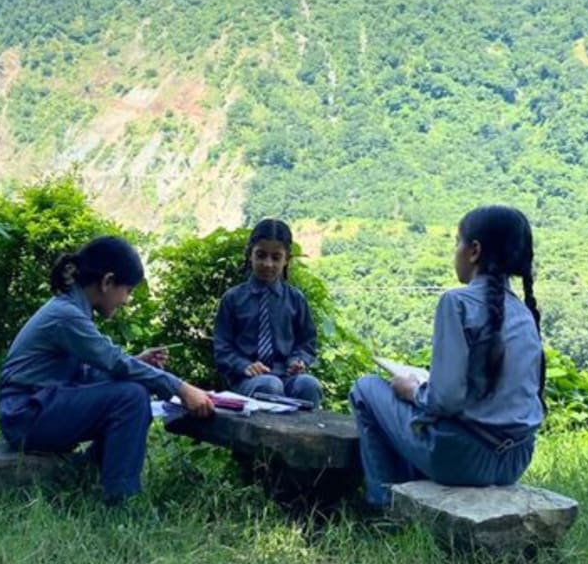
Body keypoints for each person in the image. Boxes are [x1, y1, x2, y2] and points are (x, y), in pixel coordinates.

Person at [349, 205, 546, 510]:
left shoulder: (456, 302)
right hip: (515, 460)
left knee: (365, 388)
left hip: (461, 460)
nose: (455, 249)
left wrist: (412, 389)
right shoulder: (525, 312)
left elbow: (446, 400)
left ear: (474, 251)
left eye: (457, 241)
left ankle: (385, 502)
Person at [0, 235, 213, 505]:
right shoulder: (67, 316)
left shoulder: (73, 309)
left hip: (36, 407)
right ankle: (121, 500)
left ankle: (85, 474)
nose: (127, 300)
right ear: (107, 282)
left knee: (131, 389)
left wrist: (138, 363)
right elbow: (114, 361)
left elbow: (87, 375)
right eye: (128, 291)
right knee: (130, 396)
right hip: (25, 415)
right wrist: (181, 388)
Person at [213, 218, 322, 407]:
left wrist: (298, 361)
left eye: (276, 257)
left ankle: (303, 436)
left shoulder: (295, 299)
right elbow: (222, 348)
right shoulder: (233, 299)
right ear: (250, 254)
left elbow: (307, 342)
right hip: (246, 380)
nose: (268, 264)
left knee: (309, 385)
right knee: (269, 385)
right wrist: (244, 366)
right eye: (261, 255)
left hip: (286, 376)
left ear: (287, 259)